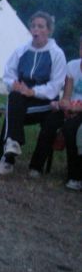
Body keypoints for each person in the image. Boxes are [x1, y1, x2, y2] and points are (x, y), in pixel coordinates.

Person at [0, 11, 66, 176]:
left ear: (48, 30)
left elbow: (55, 86)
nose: (36, 29)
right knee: (14, 98)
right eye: (33, 26)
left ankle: (31, 165)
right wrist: (15, 85)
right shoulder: (21, 50)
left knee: (14, 110)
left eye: (41, 26)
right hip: (22, 99)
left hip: (45, 103)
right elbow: (8, 74)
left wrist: (33, 91)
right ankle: (11, 151)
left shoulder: (56, 53)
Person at [58, 36, 82, 190]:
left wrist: (76, 109)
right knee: (60, 123)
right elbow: (67, 94)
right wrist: (66, 105)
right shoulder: (72, 66)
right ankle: (74, 175)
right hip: (73, 108)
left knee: (73, 128)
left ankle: (76, 175)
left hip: (79, 110)